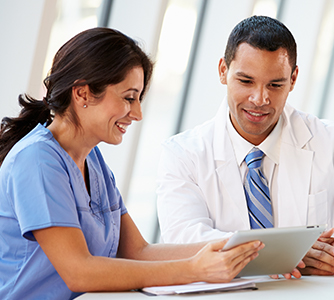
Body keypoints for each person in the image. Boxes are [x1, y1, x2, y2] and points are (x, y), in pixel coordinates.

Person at [0, 28, 263, 300]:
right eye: (128, 98)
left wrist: (237, 249)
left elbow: (138, 252)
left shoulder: (93, 161)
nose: (137, 114)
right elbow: (80, 272)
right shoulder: (37, 161)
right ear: (82, 94)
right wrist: (192, 270)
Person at [156, 15, 334, 277]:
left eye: (275, 84)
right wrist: (284, 255)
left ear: (293, 79)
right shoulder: (182, 154)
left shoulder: (332, 141)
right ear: (223, 71)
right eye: (246, 81)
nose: (260, 99)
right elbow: (183, 241)